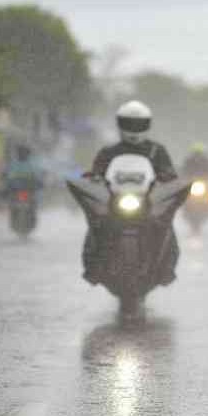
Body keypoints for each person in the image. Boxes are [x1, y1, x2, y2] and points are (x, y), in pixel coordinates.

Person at [83, 100, 178, 284]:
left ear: (147, 125)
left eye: (138, 124)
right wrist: (94, 176)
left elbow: (169, 172)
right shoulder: (109, 151)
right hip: (115, 201)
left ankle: (167, 270)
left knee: (166, 227)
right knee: (96, 226)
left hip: (147, 202)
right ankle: (92, 268)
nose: (134, 129)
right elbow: (97, 172)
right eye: (129, 124)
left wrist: (167, 176)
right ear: (120, 124)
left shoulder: (157, 151)